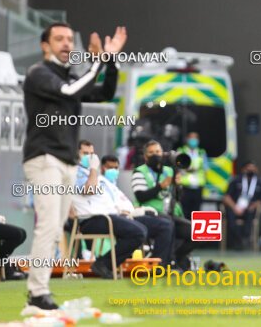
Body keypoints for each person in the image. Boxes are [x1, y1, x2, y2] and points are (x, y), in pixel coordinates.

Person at [23, 22, 127, 309]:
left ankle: (38, 293)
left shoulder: (68, 77)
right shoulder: (39, 74)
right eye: (59, 39)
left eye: (70, 39)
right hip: (44, 158)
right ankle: (37, 292)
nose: (67, 44)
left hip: (66, 161)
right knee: (47, 227)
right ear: (45, 45)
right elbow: (69, 91)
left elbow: (105, 92)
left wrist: (111, 60)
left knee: (56, 228)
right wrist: (98, 61)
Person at [71, 140, 147, 279]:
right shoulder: (76, 171)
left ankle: (106, 264)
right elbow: (89, 189)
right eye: (85, 153)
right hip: (90, 219)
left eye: (92, 153)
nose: (90, 157)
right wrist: (94, 169)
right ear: (76, 154)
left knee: (141, 229)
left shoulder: (91, 173)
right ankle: (104, 264)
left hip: (105, 216)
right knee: (138, 232)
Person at [99, 154, 174, 266]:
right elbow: (105, 206)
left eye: (116, 168)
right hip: (118, 218)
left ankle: (165, 262)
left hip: (131, 214)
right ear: (102, 168)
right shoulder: (99, 184)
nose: (113, 171)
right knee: (164, 226)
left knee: (168, 223)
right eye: (110, 167)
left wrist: (136, 209)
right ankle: (157, 265)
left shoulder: (113, 186)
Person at [132, 140, 195, 271]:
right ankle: (162, 265)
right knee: (168, 224)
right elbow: (140, 196)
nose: (155, 155)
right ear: (145, 156)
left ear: (163, 153)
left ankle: (177, 257)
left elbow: (178, 197)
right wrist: (160, 186)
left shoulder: (169, 170)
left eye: (157, 152)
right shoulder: (139, 171)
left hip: (170, 214)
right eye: (151, 152)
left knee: (197, 232)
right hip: (149, 214)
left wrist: (178, 186)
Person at [223, 161, 261, 250]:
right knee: (230, 215)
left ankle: (245, 239)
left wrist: (253, 205)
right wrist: (235, 207)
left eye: (253, 167)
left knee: (251, 213)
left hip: (250, 207)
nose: (251, 170)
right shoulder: (236, 180)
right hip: (235, 206)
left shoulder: (260, 182)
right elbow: (226, 197)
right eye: (248, 168)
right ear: (243, 169)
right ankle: (236, 240)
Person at [178, 132, 209, 219]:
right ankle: (186, 231)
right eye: (191, 138)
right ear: (187, 139)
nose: (193, 140)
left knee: (196, 212)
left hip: (198, 187)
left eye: (195, 138)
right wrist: (188, 169)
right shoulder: (181, 151)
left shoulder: (201, 152)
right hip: (185, 187)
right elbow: (178, 167)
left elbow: (206, 169)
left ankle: (193, 231)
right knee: (185, 212)